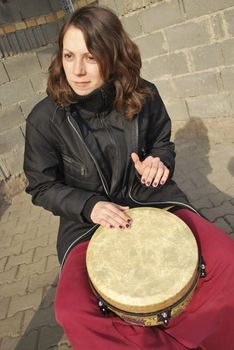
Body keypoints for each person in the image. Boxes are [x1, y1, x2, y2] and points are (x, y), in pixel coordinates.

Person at [23, 4, 234, 350]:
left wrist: (158, 162)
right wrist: (90, 206)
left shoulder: (144, 93)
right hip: (88, 223)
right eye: (68, 55)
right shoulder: (44, 119)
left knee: (226, 259)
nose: (76, 70)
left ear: (113, 53)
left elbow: (163, 143)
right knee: (73, 311)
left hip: (153, 200)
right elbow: (41, 186)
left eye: (90, 57)